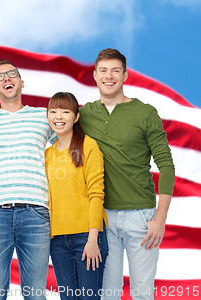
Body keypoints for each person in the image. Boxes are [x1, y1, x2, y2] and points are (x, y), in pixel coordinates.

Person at [79, 48, 175, 300]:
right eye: (103, 71)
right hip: (102, 219)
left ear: (125, 75)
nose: (108, 76)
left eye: (115, 71)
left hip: (141, 218)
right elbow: (54, 121)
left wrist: (160, 218)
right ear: (95, 75)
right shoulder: (84, 114)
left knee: (142, 294)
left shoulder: (145, 113)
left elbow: (166, 165)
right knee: (107, 294)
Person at [0, 59, 56, 300]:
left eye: (12, 74)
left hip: (36, 211)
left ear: (21, 82)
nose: (6, 79)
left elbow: (67, 145)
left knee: (36, 294)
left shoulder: (44, 117)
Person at [45, 92, 108, 300]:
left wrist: (93, 239)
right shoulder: (47, 154)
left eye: (65, 111)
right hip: (58, 240)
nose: (59, 117)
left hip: (87, 236)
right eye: (53, 111)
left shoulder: (88, 145)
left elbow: (97, 194)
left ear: (76, 117)